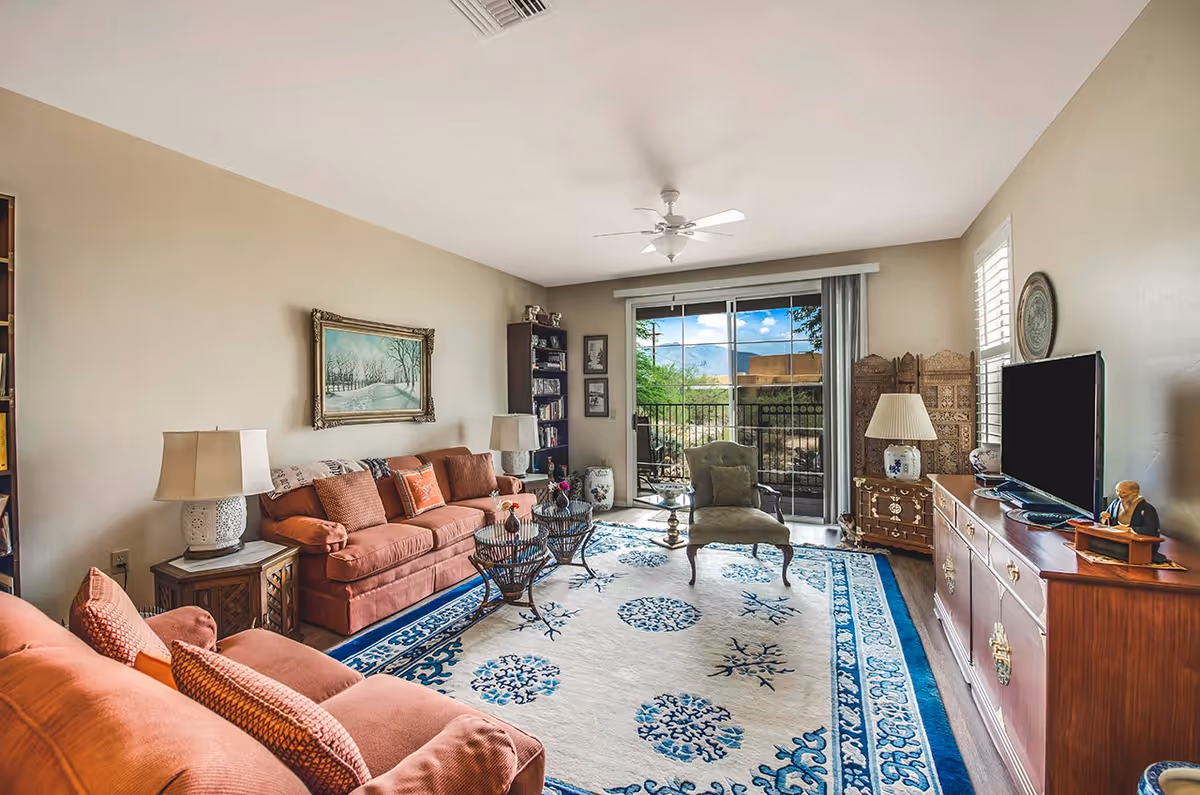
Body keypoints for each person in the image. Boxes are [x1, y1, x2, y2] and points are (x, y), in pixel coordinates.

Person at [1093, 480, 1163, 562]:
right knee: (1095, 543)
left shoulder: (1147, 508)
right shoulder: (1116, 503)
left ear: (1135, 493)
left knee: (1120, 550)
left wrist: (1129, 530)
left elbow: (1151, 530)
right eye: (1117, 491)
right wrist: (1104, 517)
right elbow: (1108, 522)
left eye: (1123, 492)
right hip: (1118, 539)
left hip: (1135, 543)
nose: (1120, 495)